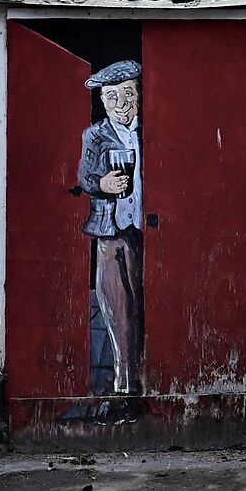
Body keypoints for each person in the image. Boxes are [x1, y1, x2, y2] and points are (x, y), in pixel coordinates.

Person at [79, 59, 145, 398]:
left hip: (144, 229)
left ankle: (146, 375)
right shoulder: (95, 135)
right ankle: (123, 381)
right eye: (112, 97)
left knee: (143, 304)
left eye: (128, 94)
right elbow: (85, 177)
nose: (121, 104)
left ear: (139, 94)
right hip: (111, 231)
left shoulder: (151, 129)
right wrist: (102, 183)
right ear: (103, 101)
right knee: (117, 306)